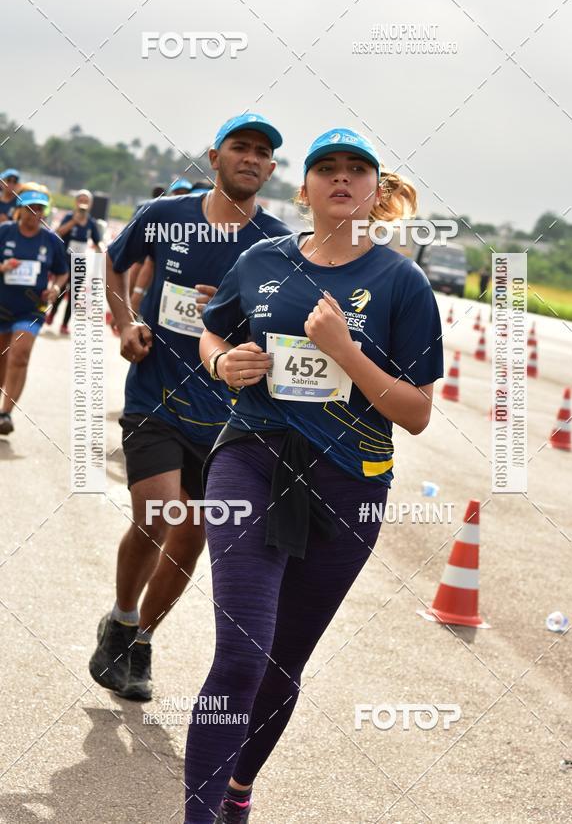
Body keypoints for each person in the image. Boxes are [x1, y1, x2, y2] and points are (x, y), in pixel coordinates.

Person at [183, 128, 444, 823]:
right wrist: (221, 361)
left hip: (350, 482)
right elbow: (213, 329)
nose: (341, 178)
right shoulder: (262, 260)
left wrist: (346, 352)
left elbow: (416, 412)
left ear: (374, 190)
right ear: (303, 188)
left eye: (357, 168)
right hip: (252, 457)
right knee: (242, 654)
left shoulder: (403, 282)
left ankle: (238, 788)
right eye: (326, 167)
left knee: (280, 665)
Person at [88, 112, 290, 703]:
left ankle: (140, 640)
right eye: (240, 147)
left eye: (262, 153)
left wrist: (235, 315)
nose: (251, 158)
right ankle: (122, 617)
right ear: (215, 156)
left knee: (192, 536)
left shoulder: (278, 244)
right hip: (156, 393)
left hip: (228, 414)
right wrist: (126, 321)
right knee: (157, 513)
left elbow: (288, 327)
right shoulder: (164, 214)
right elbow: (115, 262)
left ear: (271, 168)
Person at [0, 185, 68, 435]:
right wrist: (3, 267)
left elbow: (62, 272)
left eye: (40, 209)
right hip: (2, 305)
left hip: (31, 309)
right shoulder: (5, 232)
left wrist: (55, 288)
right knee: (2, 357)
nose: (35, 214)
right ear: (20, 210)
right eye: (30, 209)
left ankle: (5, 413)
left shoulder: (51, 240)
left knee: (20, 355)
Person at [46, 189, 102, 334]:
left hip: (79, 263)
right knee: (60, 290)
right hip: (64, 261)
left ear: (90, 204)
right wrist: (74, 221)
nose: (83, 203)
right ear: (76, 202)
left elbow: (97, 242)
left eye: (86, 201)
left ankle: (65, 324)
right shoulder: (69, 217)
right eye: (80, 200)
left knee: (74, 294)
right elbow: (58, 233)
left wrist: (104, 254)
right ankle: (52, 314)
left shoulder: (91, 222)